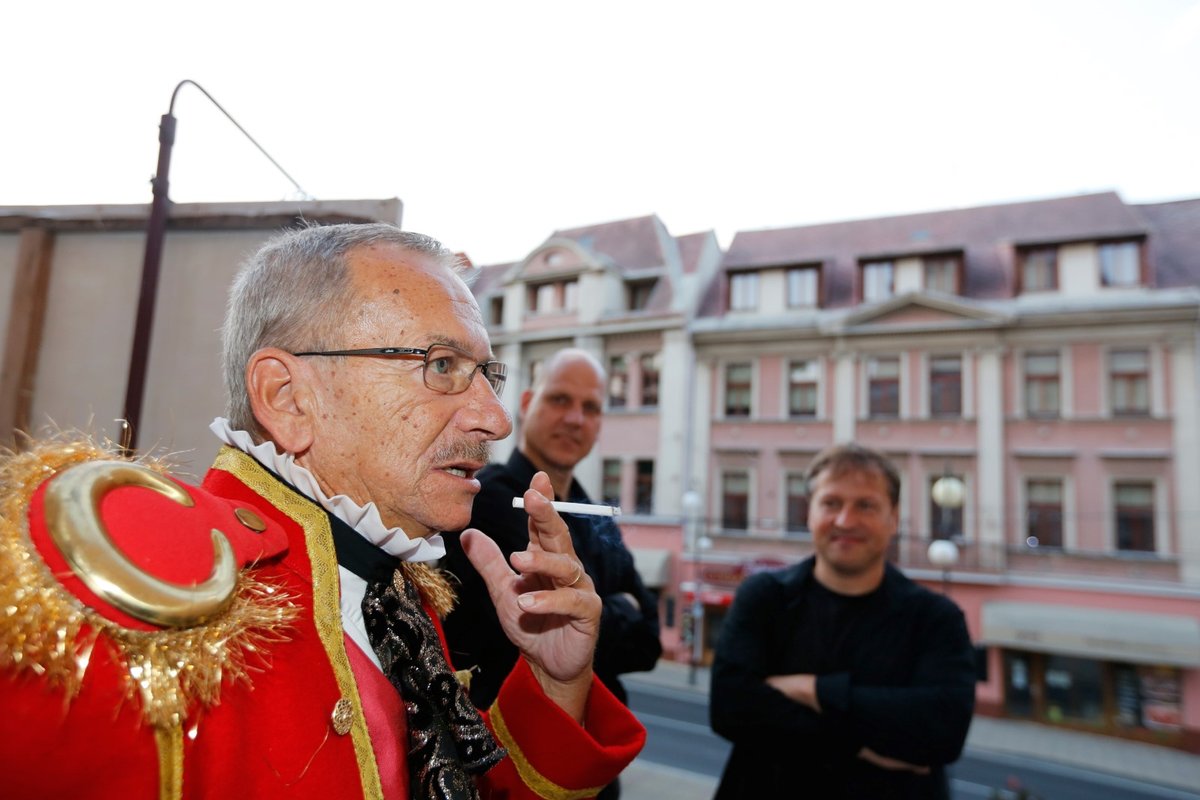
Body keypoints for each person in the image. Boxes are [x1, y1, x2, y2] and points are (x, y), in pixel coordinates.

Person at [0, 224, 644, 799]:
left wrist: (557, 681)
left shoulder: (398, 594)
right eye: (441, 365)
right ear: (288, 397)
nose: (494, 419)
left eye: (486, 374)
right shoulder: (140, 591)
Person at [441, 349, 662, 800]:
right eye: (560, 399)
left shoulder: (594, 511)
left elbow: (648, 639)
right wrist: (614, 606)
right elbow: (555, 625)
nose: (576, 418)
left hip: (590, 771)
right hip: (510, 763)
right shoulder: (489, 502)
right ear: (525, 405)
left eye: (591, 407)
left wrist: (598, 610)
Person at [709, 443, 976, 800]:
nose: (845, 521)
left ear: (894, 518)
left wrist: (813, 690)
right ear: (810, 512)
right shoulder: (764, 597)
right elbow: (731, 708)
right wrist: (860, 742)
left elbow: (942, 732)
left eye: (865, 505)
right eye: (831, 503)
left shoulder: (935, 618)